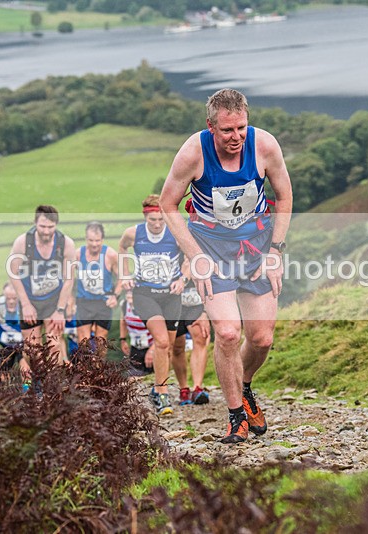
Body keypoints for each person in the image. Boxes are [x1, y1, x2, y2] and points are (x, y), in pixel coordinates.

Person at [159, 88, 293, 443]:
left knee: (262, 338)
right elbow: (167, 204)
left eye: (241, 129)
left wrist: (276, 250)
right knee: (229, 333)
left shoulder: (264, 146)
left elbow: (284, 195)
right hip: (211, 248)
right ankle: (236, 417)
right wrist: (195, 256)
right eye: (226, 131)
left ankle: (244, 385)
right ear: (211, 126)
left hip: (257, 246)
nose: (235, 137)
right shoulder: (193, 153)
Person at [119, 194, 187, 416]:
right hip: (145, 294)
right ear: (145, 217)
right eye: (153, 220)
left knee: (165, 345)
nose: (157, 225)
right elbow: (122, 250)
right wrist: (124, 275)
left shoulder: (175, 233)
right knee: (160, 340)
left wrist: (182, 279)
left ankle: (157, 389)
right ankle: (163, 392)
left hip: (171, 295)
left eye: (161, 220)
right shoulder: (133, 233)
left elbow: (190, 258)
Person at [6, 205, 76, 365]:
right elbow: (13, 272)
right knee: (33, 351)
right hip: (30, 299)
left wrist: (60, 310)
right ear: (35, 223)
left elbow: (69, 279)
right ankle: (38, 387)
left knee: (54, 345)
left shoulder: (66, 244)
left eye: (50, 227)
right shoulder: (23, 242)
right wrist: (25, 304)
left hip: (54, 300)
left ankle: (57, 386)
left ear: (56, 225)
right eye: (42, 226)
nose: (46, 231)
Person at [72, 221, 119, 344]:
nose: (94, 244)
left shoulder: (110, 255)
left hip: (104, 302)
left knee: (101, 341)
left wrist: (115, 296)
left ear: (102, 239)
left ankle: (99, 363)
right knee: (83, 340)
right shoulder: (77, 254)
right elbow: (68, 279)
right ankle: (86, 363)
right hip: (84, 301)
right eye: (91, 240)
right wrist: (70, 300)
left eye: (97, 241)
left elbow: (122, 277)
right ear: (86, 239)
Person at [171, 278, 211, 405]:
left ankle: (197, 388)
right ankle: (184, 389)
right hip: (172, 301)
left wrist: (205, 311)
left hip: (196, 301)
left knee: (200, 338)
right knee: (177, 347)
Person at [0, 282, 31, 375]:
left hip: (21, 345)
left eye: (14, 298)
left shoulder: (24, 304)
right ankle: (3, 388)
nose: (11, 301)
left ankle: (28, 388)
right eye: (8, 299)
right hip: (4, 345)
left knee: (25, 370)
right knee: (2, 372)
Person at [119, 289, 155, 378]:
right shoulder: (124, 305)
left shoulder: (148, 307)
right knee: (134, 378)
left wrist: (152, 350)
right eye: (127, 292)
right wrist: (123, 339)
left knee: (151, 377)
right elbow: (123, 321)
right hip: (136, 347)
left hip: (152, 347)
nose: (129, 295)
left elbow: (161, 331)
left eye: (132, 292)